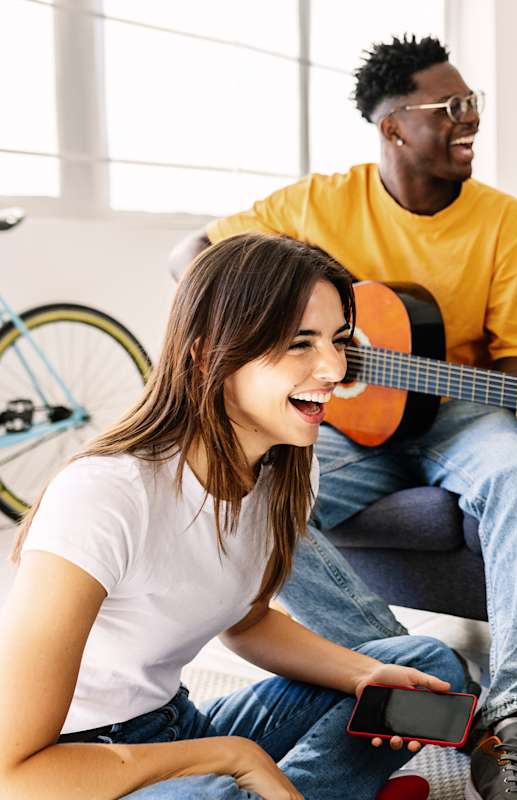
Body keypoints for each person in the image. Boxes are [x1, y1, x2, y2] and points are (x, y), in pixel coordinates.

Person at [167, 35, 517, 799]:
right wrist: (271, 324)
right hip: (340, 421)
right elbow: (192, 253)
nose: (470, 118)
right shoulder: (316, 205)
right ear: (394, 127)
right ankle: (426, 684)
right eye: (450, 107)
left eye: (473, 104)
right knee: (252, 491)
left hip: (458, 414)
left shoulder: (503, 221)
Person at [0, 234, 466, 800]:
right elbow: (15, 775)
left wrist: (363, 675)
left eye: (338, 340)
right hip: (77, 765)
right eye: (300, 343)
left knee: (426, 671)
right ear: (206, 353)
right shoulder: (104, 494)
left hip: (174, 726)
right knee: (217, 793)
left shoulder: (286, 473)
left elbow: (247, 622)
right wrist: (231, 755)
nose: (335, 368)